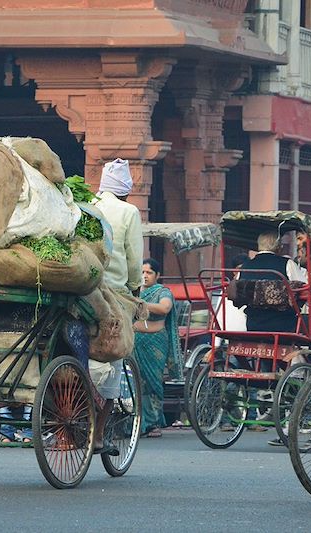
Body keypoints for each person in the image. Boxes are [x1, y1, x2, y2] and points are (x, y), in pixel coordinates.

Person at [89, 158, 144, 452]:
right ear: (125, 190)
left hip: (82, 290)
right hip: (114, 295)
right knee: (113, 358)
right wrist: (136, 289)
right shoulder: (128, 212)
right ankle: (98, 435)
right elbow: (134, 261)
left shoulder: (87, 206)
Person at [133, 258, 183, 437]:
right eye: (142, 272)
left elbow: (164, 308)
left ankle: (153, 424)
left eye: (149, 273)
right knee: (134, 382)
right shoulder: (134, 291)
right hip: (134, 340)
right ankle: (136, 423)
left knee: (153, 382)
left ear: (158, 275)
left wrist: (140, 305)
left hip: (155, 341)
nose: (145, 276)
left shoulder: (162, 292)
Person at [240, 231, 303, 333]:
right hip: (286, 324)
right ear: (278, 246)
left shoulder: (245, 267)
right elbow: (303, 290)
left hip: (253, 324)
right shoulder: (287, 264)